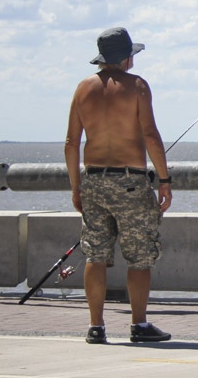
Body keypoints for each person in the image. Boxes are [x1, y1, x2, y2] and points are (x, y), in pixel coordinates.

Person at [65, 26, 173, 344]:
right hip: (130, 182)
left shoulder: (83, 88)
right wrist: (164, 180)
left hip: (93, 180)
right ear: (127, 57)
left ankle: (96, 326)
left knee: (95, 254)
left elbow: (72, 143)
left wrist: (76, 187)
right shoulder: (137, 86)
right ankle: (139, 325)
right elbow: (150, 135)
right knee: (139, 256)